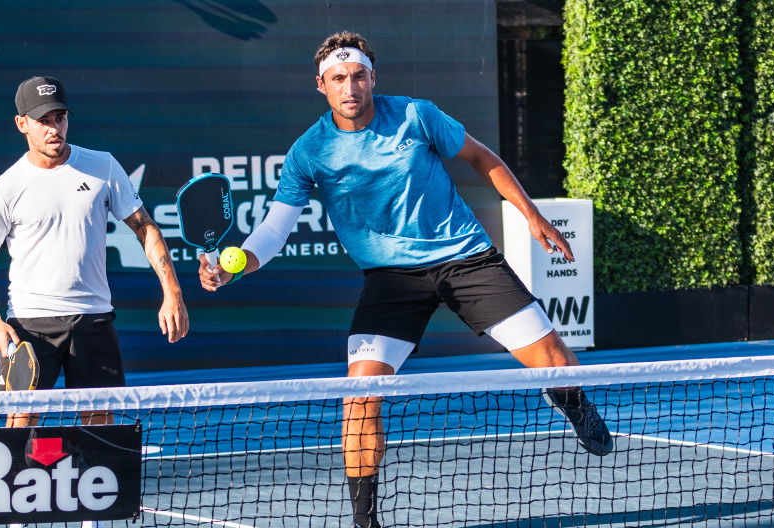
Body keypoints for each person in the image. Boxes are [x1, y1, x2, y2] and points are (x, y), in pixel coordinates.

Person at [197, 33, 612, 528]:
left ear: (373, 78)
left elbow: (485, 159)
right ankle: (364, 521)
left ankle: (575, 405)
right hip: (390, 280)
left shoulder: (417, 115)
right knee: (359, 399)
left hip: (466, 260)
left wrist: (532, 216)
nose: (349, 87)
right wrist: (233, 265)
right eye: (337, 79)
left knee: (555, 363)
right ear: (321, 86)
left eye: (357, 76)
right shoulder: (309, 152)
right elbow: (273, 230)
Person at [0, 75, 190, 431]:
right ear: (22, 124)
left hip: (93, 318)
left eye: (60, 117)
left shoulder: (102, 166)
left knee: (101, 425)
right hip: (30, 324)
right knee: (20, 423)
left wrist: (172, 293)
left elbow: (145, 227)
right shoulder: (4, 189)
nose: (54, 128)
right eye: (44, 121)